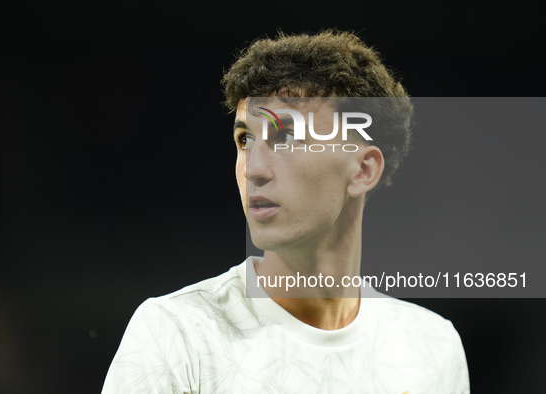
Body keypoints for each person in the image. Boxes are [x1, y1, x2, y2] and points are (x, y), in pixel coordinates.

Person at [102, 30, 470, 393]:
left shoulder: (432, 350)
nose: (253, 168)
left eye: (286, 137)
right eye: (245, 140)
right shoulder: (174, 336)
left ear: (363, 170)